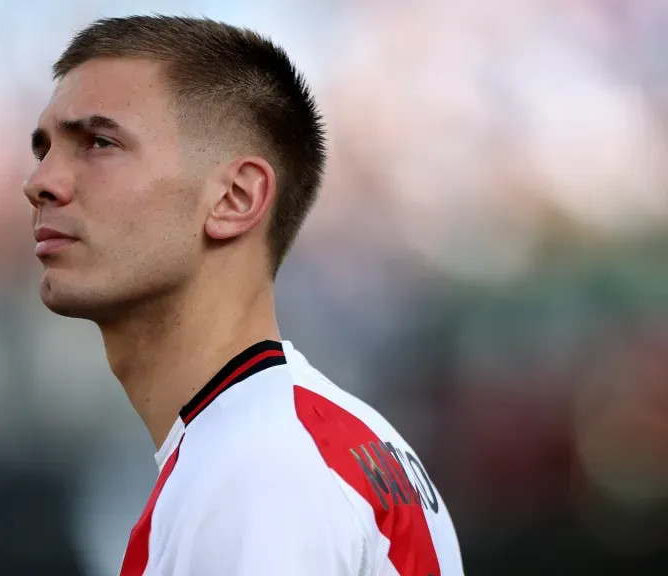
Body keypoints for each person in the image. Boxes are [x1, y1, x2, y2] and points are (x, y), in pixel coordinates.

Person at [23, 14, 464, 576]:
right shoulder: (292, 438)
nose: (40, 181)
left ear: (235, 198)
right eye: (44, 150)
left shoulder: (258, 468)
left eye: (100, 143)